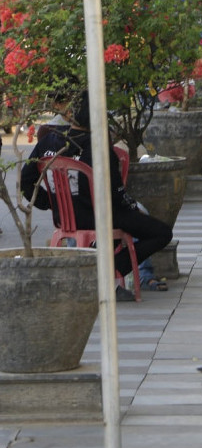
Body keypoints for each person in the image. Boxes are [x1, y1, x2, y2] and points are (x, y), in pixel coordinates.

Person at [20, 91, 173, 302]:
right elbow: (116, 195)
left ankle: (98, 267)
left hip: (65, 217)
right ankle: (109, 268)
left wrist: (52, 204)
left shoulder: (48, 142)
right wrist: (133, 208)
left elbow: (25, 182)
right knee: (161, 233)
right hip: (99, 216)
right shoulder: (99, 147)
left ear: (72, 113)